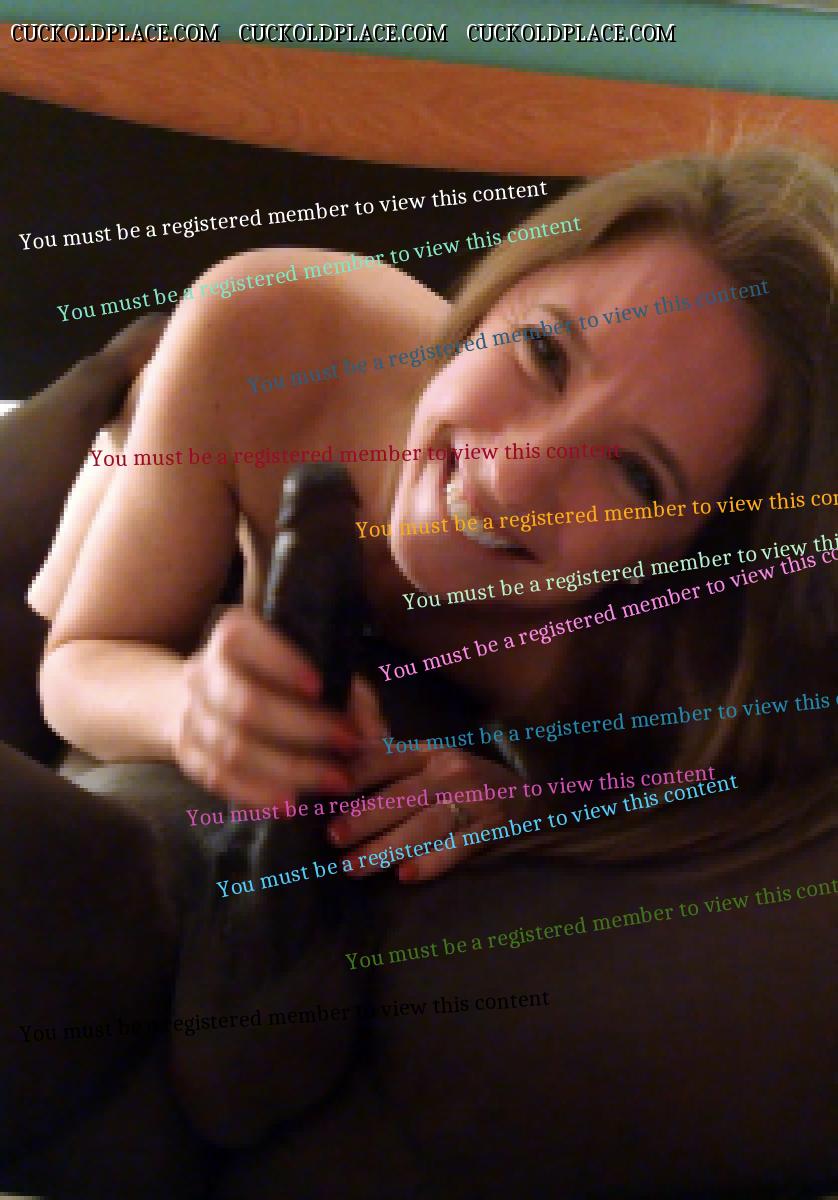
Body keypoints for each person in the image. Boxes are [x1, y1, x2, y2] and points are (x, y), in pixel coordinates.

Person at [2, 144, 835, 1196]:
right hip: (167, 474)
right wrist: (191, 708)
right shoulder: (271, 329)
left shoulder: (685, 655)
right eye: (543, 352)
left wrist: (529, 805)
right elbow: (82, 660)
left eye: (636, 471)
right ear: (495, 293)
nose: (516, 473)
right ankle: (117, 374)